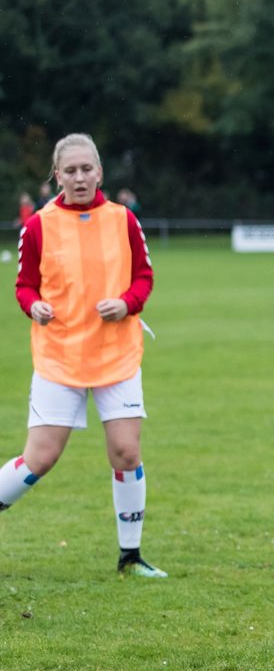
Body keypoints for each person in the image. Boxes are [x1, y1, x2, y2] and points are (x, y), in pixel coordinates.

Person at [2, 133, 164, 577]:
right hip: (60, 357)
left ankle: (130, 556)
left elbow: (144, 277)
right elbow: (24, 285)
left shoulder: (124, 220)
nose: (79, 177)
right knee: (40, 459)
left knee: (126, 453)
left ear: (100, 172)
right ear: (57, 175)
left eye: (86, 169)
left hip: (116, 354)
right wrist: (32, 305)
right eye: (69, 170)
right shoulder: (37, 225)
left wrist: (127, 303)